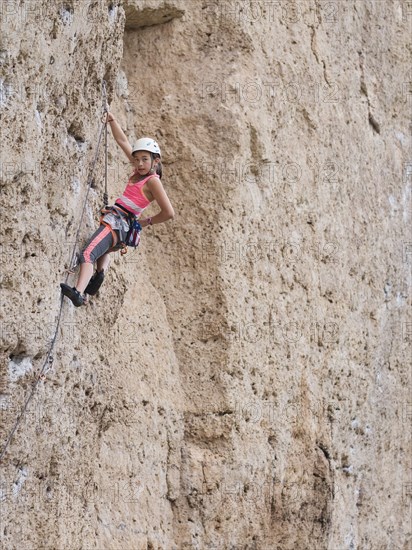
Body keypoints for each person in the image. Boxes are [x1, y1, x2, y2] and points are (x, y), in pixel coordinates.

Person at [60, 112, 175, 306]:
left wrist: (144, 223)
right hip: (119, 224)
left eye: (144, 159)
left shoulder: (153, 180)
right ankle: (99, 273)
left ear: (156, 161)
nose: (139, 163)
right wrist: (113, 121)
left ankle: (79, 293)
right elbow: (122, 141)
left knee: (87, 253)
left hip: (119, 223)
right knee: (100, 250)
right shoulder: (139, 172)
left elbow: (169, 212)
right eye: (136, 159)